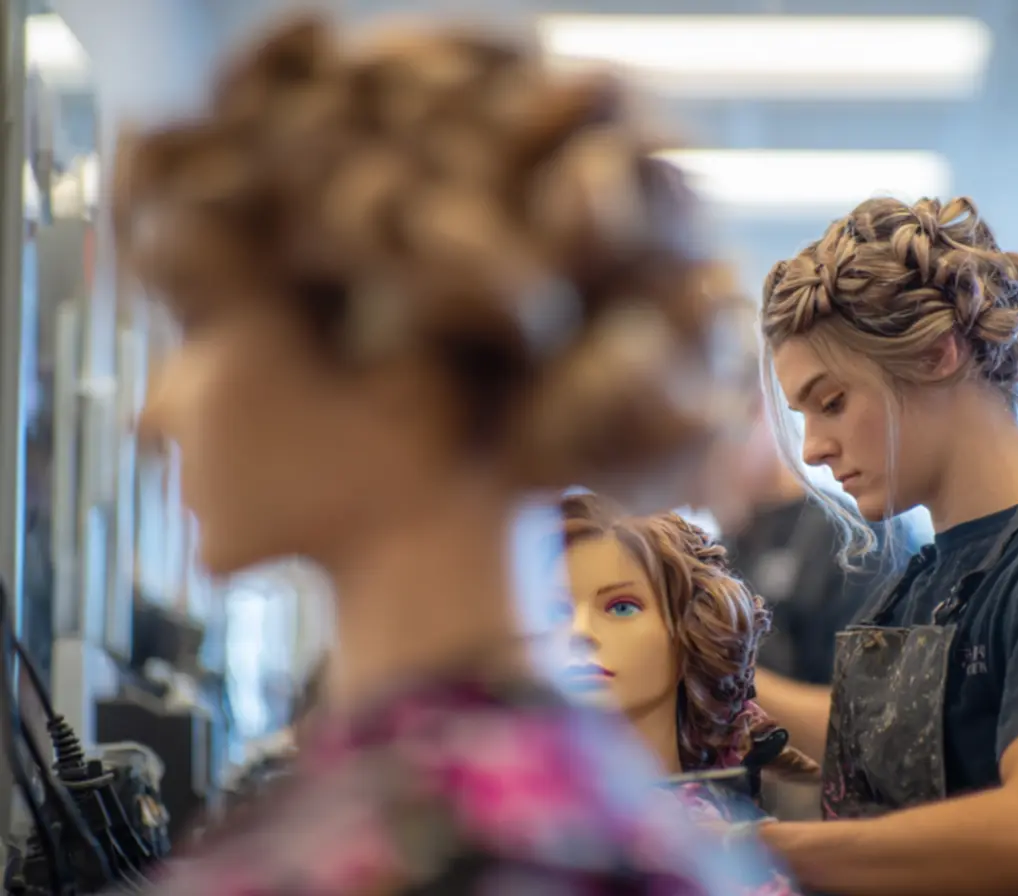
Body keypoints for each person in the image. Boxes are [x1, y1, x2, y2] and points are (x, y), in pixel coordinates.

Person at [115, 13, 763, 895]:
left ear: (396, 376)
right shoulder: (502, 815)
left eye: (201, 328)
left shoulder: (461, 855)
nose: (153, 413)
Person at [746, 196, 1018, 895]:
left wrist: (762, 849)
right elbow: (925, 739)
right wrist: (734, 694)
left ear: (934, 356)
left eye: (831, 402)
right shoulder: (920, 582)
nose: (815, 448)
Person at [559, 493, 816, 895]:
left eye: (621, 607)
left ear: (689, 632)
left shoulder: (727, 853)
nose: (578, 633)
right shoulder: (516, 831)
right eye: (557, 611)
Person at [694, 266, 915, 686]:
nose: (692, 478)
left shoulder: (856, 541)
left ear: (756, 409)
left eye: (702, 446)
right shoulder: (725, 548)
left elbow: (872, 724)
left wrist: (706, 670)